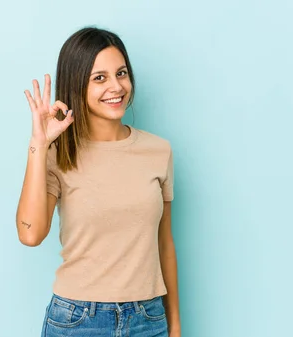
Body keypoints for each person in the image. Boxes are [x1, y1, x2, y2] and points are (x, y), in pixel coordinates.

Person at [16, 26, 181, 337]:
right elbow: (30, 234)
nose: (116, 86)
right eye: (99, 78)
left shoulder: (159, 151)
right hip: (78, 320)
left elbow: (164, 244)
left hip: (149, 318)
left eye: (121, 73)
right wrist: (38, 145)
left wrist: (175, 326)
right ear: (77, 84)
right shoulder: (59, 154)